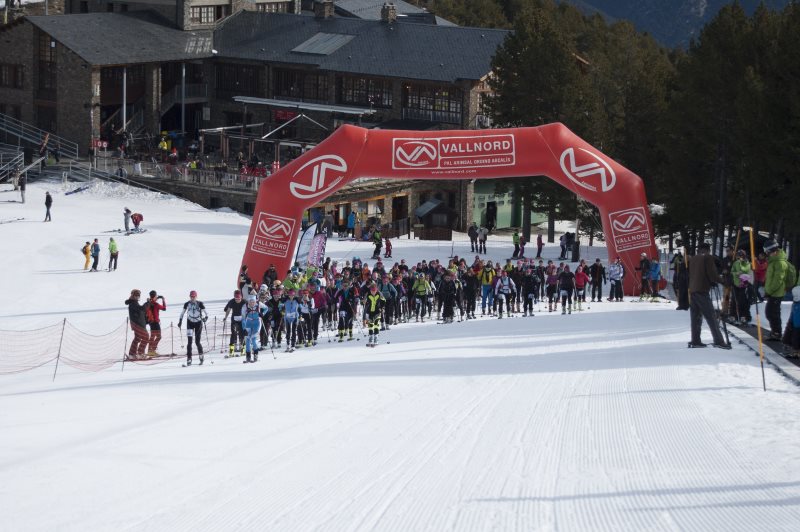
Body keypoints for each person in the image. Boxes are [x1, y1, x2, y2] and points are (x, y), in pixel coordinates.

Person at [687, 242, 730, 349]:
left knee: (696, 317)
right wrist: (723, 281)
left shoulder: (693, 258)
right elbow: (712, 274)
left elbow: (696, 274)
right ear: (708, 250)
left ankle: (695, 340)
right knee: (711, 316)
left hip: (693, 290)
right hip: (702, 291)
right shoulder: (708, 257)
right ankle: (719, 341)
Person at [763, 240, 790, 341]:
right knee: (771, 312)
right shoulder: (773, 261)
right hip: (773, 292)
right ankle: (775, 332)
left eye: (767, 251)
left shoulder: (779, 262)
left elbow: (778, 280)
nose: (766, 253)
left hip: (776, 293)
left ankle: (777, 333)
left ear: (772, 250)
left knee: (771, 313)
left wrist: (769, 291)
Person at [178, 290, 208, 365]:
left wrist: (205, 318)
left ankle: (201, 356)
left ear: (196, 296)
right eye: (191, 296)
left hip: (198, 323)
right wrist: (180, 321)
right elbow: (182, 313)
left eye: (194, 297)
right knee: (189, 342)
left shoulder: (200, 303)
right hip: (190, 323)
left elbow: (206, 313)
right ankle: (189, 358)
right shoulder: (187, 304)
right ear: (190, 296)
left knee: (197, 342)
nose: (192, 298)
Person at [730, 249, 753, 325]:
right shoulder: (736, 263)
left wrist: (742, 275)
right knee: (734, 300)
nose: (739, 257)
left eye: (741, 256)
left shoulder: (747, 263)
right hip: (736, 284)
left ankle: (743, 316)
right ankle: (733, 315)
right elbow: (732, 271)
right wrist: (736, 273)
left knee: (742, 301)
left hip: (744, 284)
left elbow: (748, 274)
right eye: (738, 256)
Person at [124, 289, 148, 359]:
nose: (137, 297)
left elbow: (140, 312)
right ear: (132, 295)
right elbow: (141, 309)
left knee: (137, 338)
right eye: (136, 295)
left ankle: (132, 354)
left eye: (138, 295)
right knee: (146, 337)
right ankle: (140, 353)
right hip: (137, 324)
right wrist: (147, 303)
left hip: (139, 324)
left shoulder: (134, 302)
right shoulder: (133, 303)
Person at [223, 289, 246, 356]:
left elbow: (248, 309)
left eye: (239, 299)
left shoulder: (244, 301)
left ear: (241, 297)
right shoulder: (232, 301)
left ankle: (243, 350)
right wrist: (225, 317)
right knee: (234, 333)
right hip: (234, 320)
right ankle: (232, 350)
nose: (237, 300)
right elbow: (228, 310)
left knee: (242, 334)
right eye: (236, 299)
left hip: (242, 320)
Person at [241, 295, 263, 363]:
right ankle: (248, 357)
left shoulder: (259, 304)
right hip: (248, 323)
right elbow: (243, 318)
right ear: (248, 302)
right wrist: (244, 329)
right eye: (250, 302)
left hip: (257, 323)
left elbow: (266, 308)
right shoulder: (245, 306)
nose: (252, 303)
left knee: (253, 339)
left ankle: (256, 356)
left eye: (253, 302)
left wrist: (262, 313)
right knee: (247, 340)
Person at [144, 291, 166, 356]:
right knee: (159, 337)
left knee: (152, 336)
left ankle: (150, 351)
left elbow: (152, 301)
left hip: (151, 322)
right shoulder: (156, 304)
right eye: (156, 296)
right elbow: (164, 308)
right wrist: (163, 300)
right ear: (155, 296)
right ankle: (152, 350)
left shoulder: (149, 303)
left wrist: (156, 298)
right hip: (155, 322)